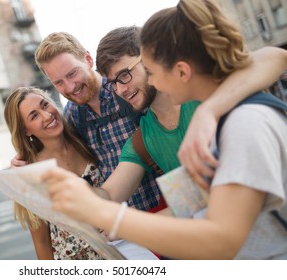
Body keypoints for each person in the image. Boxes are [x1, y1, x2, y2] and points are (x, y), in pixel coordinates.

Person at [43, 0, 287, 259]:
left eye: (149, 71)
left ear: (180, 69)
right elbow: (193, 204)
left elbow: (224, 237)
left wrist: (114, 218)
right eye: (114, 83)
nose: (120, 91)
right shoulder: (146, 135)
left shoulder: (236, 118)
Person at [12, 32, 165, 213]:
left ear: (88, 59)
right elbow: (59, 152)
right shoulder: (72, 116)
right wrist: (28, 161)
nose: (70, 87)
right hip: (122, 227)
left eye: (72, 73)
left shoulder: (129, 89)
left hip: (167, 208)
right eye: (58, 82)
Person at [4, 86, 104, 260]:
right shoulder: (32, 173)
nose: (47, 115)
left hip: (118, 252)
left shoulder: (84, 140)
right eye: (34, 116)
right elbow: (41, 241)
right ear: (26, 130)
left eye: (45, 105)